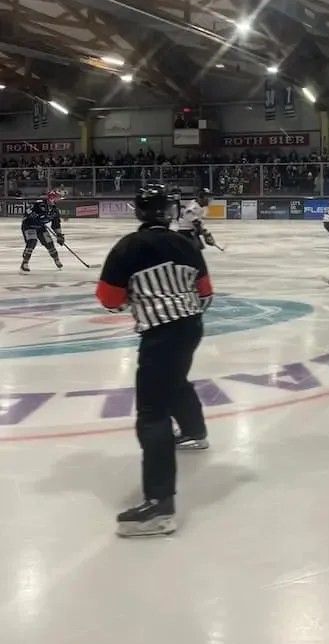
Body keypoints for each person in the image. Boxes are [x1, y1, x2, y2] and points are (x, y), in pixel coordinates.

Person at [96, 184, 214, 538]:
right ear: (170, 212)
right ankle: (194, 432)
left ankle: (160, 507)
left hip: (160, 333)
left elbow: (108, 298)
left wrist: (136, 299)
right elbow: (205, 292)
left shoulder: (128, 247)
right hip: (191, 325)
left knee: (152, 413)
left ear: (139, 212)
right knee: (175, 381)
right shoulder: (186, 243)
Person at [20, 190, 64, 272]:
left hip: (40, 227)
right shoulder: (40, 203)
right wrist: (33, 215)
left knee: (49, 243)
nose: (59, 200)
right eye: (57, 198)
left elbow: (56, 224)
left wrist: (59, 235)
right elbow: (28, 211)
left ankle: (56, 259)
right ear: (52, 198)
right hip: (29, 226)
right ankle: (25, 263)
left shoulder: (55, 211)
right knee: (32, 241)